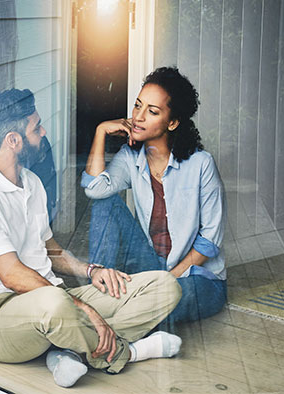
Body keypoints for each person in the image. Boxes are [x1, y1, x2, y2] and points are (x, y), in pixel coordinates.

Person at [0, 88, 182, 388]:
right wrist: (83, 308)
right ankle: (128, 353)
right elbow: (12, 277)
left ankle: (67, 350)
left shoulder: (31, 183)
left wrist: (92, 271)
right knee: (56, 304)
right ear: (13, 141)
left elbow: (50, 251)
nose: (44, 132)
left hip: (54, 297)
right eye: (36, 127)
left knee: (165, 287)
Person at [81, 67, 227, 330]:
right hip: (150, 265)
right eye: (138, 106)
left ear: (172, 122)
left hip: (195, 278)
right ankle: (101, 287)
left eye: (152, 111)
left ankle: (105, 326)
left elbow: (210, 241)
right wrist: (101, 131)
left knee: (169, 300)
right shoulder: (131, 158)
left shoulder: (201, 164)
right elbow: (94, 189)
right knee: (106, 203)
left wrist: (167, 280)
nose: (137, 117)